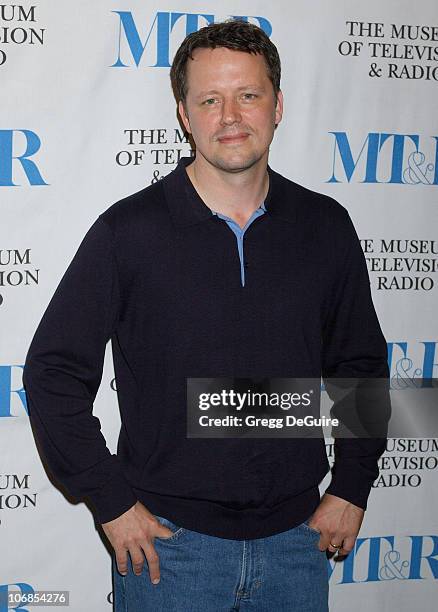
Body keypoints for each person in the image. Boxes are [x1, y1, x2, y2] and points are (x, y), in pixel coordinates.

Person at [23, 20, 389, 611]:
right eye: (210, 100)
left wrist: (351, 486)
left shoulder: (326, 227)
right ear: (185, 116)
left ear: (277, 106)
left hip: (300, 544)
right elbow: (52, 375)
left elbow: (360, 367)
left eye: (248, 95)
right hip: (170, 552)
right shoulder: (128, 232)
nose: (231, 116)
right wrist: (112, 504)